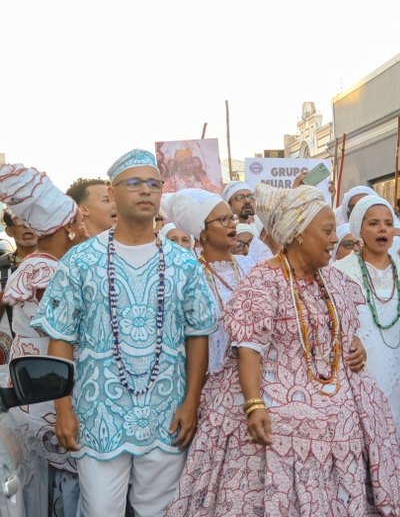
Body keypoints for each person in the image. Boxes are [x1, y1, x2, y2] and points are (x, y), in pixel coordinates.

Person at [166, 184, 400, 516]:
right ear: (298, 233)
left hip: (338, 419)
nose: (333, 240)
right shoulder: (264, 280)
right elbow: (248, 347)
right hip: (275, 425)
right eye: (326, 231)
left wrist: (352, 346)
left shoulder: (336, 279)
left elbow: (342, 330)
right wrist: (254, 405)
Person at [33, 149, 218, 517]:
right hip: (97, 411)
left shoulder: (184, 263)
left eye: (154, 183)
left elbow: (198, 335)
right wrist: (63, 407)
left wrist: (191, 402)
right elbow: (61, 337)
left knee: (160, 511)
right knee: (101, 510)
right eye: (134, 183)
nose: (146, 191)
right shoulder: (80, 261)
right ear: (113, 192)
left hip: (167, 410)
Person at [0, 163, 89, 517]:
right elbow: (61, 339)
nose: (84, 227)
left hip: (41, 393)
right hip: (51, 400)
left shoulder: (47, 265)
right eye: (79, 220)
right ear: (68, 228)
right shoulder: (47, 272)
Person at [334, 196, 400, 462]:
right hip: (363, 372)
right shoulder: (340, 273)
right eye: (373, 223)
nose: (383, 229)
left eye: (388, 223)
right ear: (358, 230)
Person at [164, 189, 254, 375]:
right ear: (202, 232)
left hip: (255, 372)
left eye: (232, 218)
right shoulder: (191, 275)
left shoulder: (249, 264)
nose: (232, 225)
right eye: (223, 220)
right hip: (212, 377)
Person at [0, 210, 38, 359]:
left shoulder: (60, 264)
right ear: (9, 231)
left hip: (54, 361)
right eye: (20, 222)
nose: (27, 227)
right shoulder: (2, 268)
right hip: (7, 367)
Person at [222, 181, 273, 263]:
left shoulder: (263, 226)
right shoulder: (221, 230)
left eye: (251, 197)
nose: (247, 201)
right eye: (240, 197)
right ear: (229, 205)